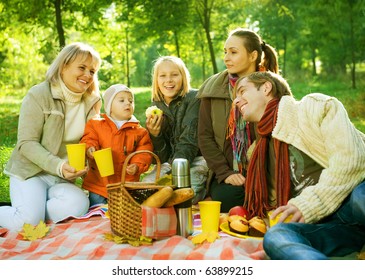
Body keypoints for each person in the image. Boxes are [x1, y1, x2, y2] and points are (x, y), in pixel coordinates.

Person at [233, 71, 365, 259]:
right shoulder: (256, 153)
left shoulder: (315, 107)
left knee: (362, 198)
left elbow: (351, 162)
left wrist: (308, 205)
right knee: (276, 236)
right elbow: (274, 204)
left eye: (242, 91)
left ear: (266, 87)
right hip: (330, 225)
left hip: (354, 198)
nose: (236, 101)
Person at [0, 42, 102, 231]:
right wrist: (59, 166)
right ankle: (26, 214)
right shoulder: (39, 94)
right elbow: (26, 143)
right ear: (64, 66)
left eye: (92, 71)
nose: (88, 75)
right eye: (82, 68)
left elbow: (93, 139)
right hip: (31, 172)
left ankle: (30, 209)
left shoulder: (91, 102)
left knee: (79, 206)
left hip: (62, 178)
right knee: (28, 224)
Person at [197, 28, 279, 212]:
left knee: (273, 193)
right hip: (228, 171)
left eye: (233, 52)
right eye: (225, 52)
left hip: (266, 168)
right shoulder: (212, 89)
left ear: (253, 56)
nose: (227, 58)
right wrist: (225, 173)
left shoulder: (271, 88)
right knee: (229, 198)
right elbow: (204, 136)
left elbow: (281, 134)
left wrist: (260, 173)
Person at [143, 56, 207, 204]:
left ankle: (204, 189)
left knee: (183, 196)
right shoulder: (157, 105)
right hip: (169, 163)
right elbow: (161, 157)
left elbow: (189, 142)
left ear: (183, 77)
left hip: (195, 160)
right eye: (163, 76)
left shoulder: (194, 99)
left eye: (174, 74)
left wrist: (172, 174)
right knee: (146, 188)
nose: (168, 80)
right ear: (156, 80)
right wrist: (155, 135)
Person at [80, 84, 153, 206]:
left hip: (126, 186)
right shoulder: (96, 125)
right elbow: (89, 138)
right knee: (97, 212)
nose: (128, 103)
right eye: (122, 100)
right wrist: (90, 148)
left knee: (124, 214)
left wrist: (137, 165)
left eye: (131, 101)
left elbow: (144, 151)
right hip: (99, 185)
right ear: (110, 107)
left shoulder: (140, 132)